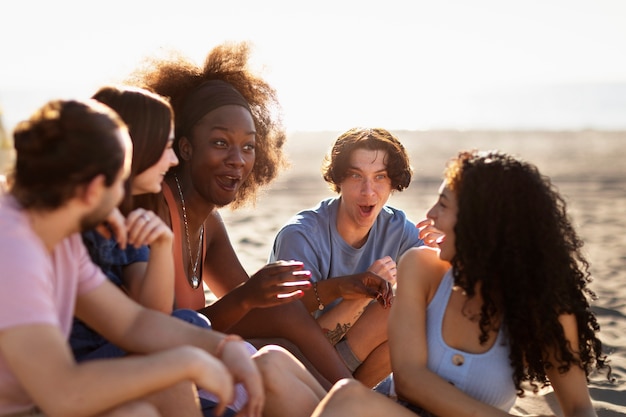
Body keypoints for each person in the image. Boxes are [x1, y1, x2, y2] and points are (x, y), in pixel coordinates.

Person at [67, 85, 327, 417]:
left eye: (248, 146)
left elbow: (148, 321)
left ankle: (351, 401)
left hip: (142, 357)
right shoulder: (99, 228)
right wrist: (221, 330)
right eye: (167, 147)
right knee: (242, 358)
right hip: (101, 373)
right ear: (135, 148)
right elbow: (148, 327)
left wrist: (161, 248)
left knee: (275, 355)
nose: (173, 159)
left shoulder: (131, 222)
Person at [0, 98, 265, 417]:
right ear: (93, 190)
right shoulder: (15, 250)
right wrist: (187, 361)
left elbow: (131, 322)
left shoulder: (58, 231)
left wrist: (222, 347)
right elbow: (64, 394)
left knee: (154, 392)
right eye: (122, 178)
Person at [309, 150, 611, 417]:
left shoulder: (546, 309)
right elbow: (409, 380)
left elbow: (579, 407)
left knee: (347, 400)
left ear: (481, 221)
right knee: (281, 367)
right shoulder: (421, 266)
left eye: (443, 205)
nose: (430, 215)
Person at [127, 41, 353, 388]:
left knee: (282, 337)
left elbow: (265, 309)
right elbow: (158, 334)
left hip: (193, 354)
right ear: (185, 147)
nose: (238, 159)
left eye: (248, 146)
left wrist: (340, 287)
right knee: (275, 348)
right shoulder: (156, 208)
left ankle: (354, 397)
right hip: (162, 371)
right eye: (220, 143)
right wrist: (248, 296)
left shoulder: (208, 225)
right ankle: (357, 402)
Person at [269, 127, 423, 387]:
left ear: (393, 182)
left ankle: (350, 400)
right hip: (293, 361)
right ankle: (345, 398)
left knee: (411, 314)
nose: (368, 191)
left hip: (354, 364)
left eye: (380, 177)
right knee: (391, 309)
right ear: (338, 179)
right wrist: (361, 294)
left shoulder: (398, 229)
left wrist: (444, 249)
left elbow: (440, 293)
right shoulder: (300, 235)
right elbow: (289, 330)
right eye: (356, 176)